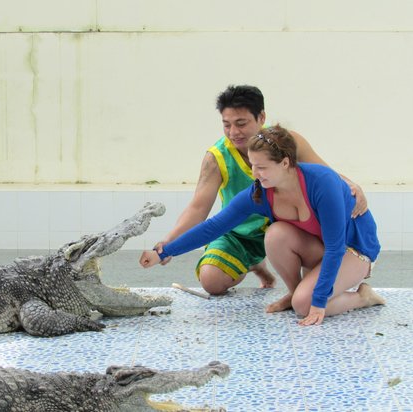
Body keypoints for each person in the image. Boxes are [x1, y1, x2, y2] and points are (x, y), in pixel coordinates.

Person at [140, 125, 385, 326]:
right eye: (253, 166)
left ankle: (362, 297)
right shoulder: (260, 192)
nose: (256, 174)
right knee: (275, 234)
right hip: (321, 249)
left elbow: (335, 247)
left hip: (353, 249)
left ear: (286, 163)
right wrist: (163, 251)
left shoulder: (323, 183)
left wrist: (319, 302)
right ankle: (296, 292)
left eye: (263, 167)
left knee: (304, 306)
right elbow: (214, 227)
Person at [154, 85, 368, 295]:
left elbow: (325, 173)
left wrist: (352, 186)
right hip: (240, 232)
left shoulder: (286, 143)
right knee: (211, 281)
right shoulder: (216, 158)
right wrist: (169, 243)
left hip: (288, 229)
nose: (233, 132)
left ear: (261, 118)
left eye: (241, 123)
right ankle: (256, 264)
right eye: (226, 125)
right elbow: (198, 208)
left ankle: (298, 291)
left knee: (303, 273)